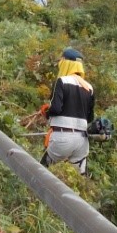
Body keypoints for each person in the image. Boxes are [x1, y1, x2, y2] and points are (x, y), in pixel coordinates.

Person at [40, 48, 95, 176]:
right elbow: (90, 117)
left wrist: (46, 112)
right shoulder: (89, 88)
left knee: (42, 172)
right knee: (79, 179)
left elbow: (55, 109)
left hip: (62, 137)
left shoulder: (62, 81)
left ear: (66, 63)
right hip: (82, 141)